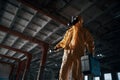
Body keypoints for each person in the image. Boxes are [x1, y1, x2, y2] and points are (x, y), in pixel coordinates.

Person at [54, 16, 95, 80]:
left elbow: (90, 42)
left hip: (78, 53)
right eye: (73, 20)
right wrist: (57, 46)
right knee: (64, 70)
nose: (73, 21)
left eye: (75, 20)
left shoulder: (84, 31)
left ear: (79, 21)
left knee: (77, 72)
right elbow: (64, 41)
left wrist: (91, 52)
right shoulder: (69, 31)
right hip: (67, 54)